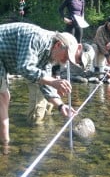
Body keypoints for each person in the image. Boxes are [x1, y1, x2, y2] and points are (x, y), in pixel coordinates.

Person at [0, 22, 78, 153]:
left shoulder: (49, 54)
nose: (65, 62)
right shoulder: (37, 38)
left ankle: (4, 144)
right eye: (66, 57)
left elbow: (44, 83)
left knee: (4, 97)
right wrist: (54, 81)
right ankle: (5, 146)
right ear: (59, 45)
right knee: (3, 97)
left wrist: (61, 106)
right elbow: (25, 67)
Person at [27, 42, 95, 126]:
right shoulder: (63, 44)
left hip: (49, 74)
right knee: (37, 115)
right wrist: (53, 81)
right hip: (37, 74)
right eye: (80, 59)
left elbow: (55, 62)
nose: (77, 63)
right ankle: (34, 133)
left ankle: (45, 129)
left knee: (48, 109)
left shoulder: (68, 52)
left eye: (80, 63)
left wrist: (56, 76)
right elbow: (30, 69)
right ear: (79, 48)